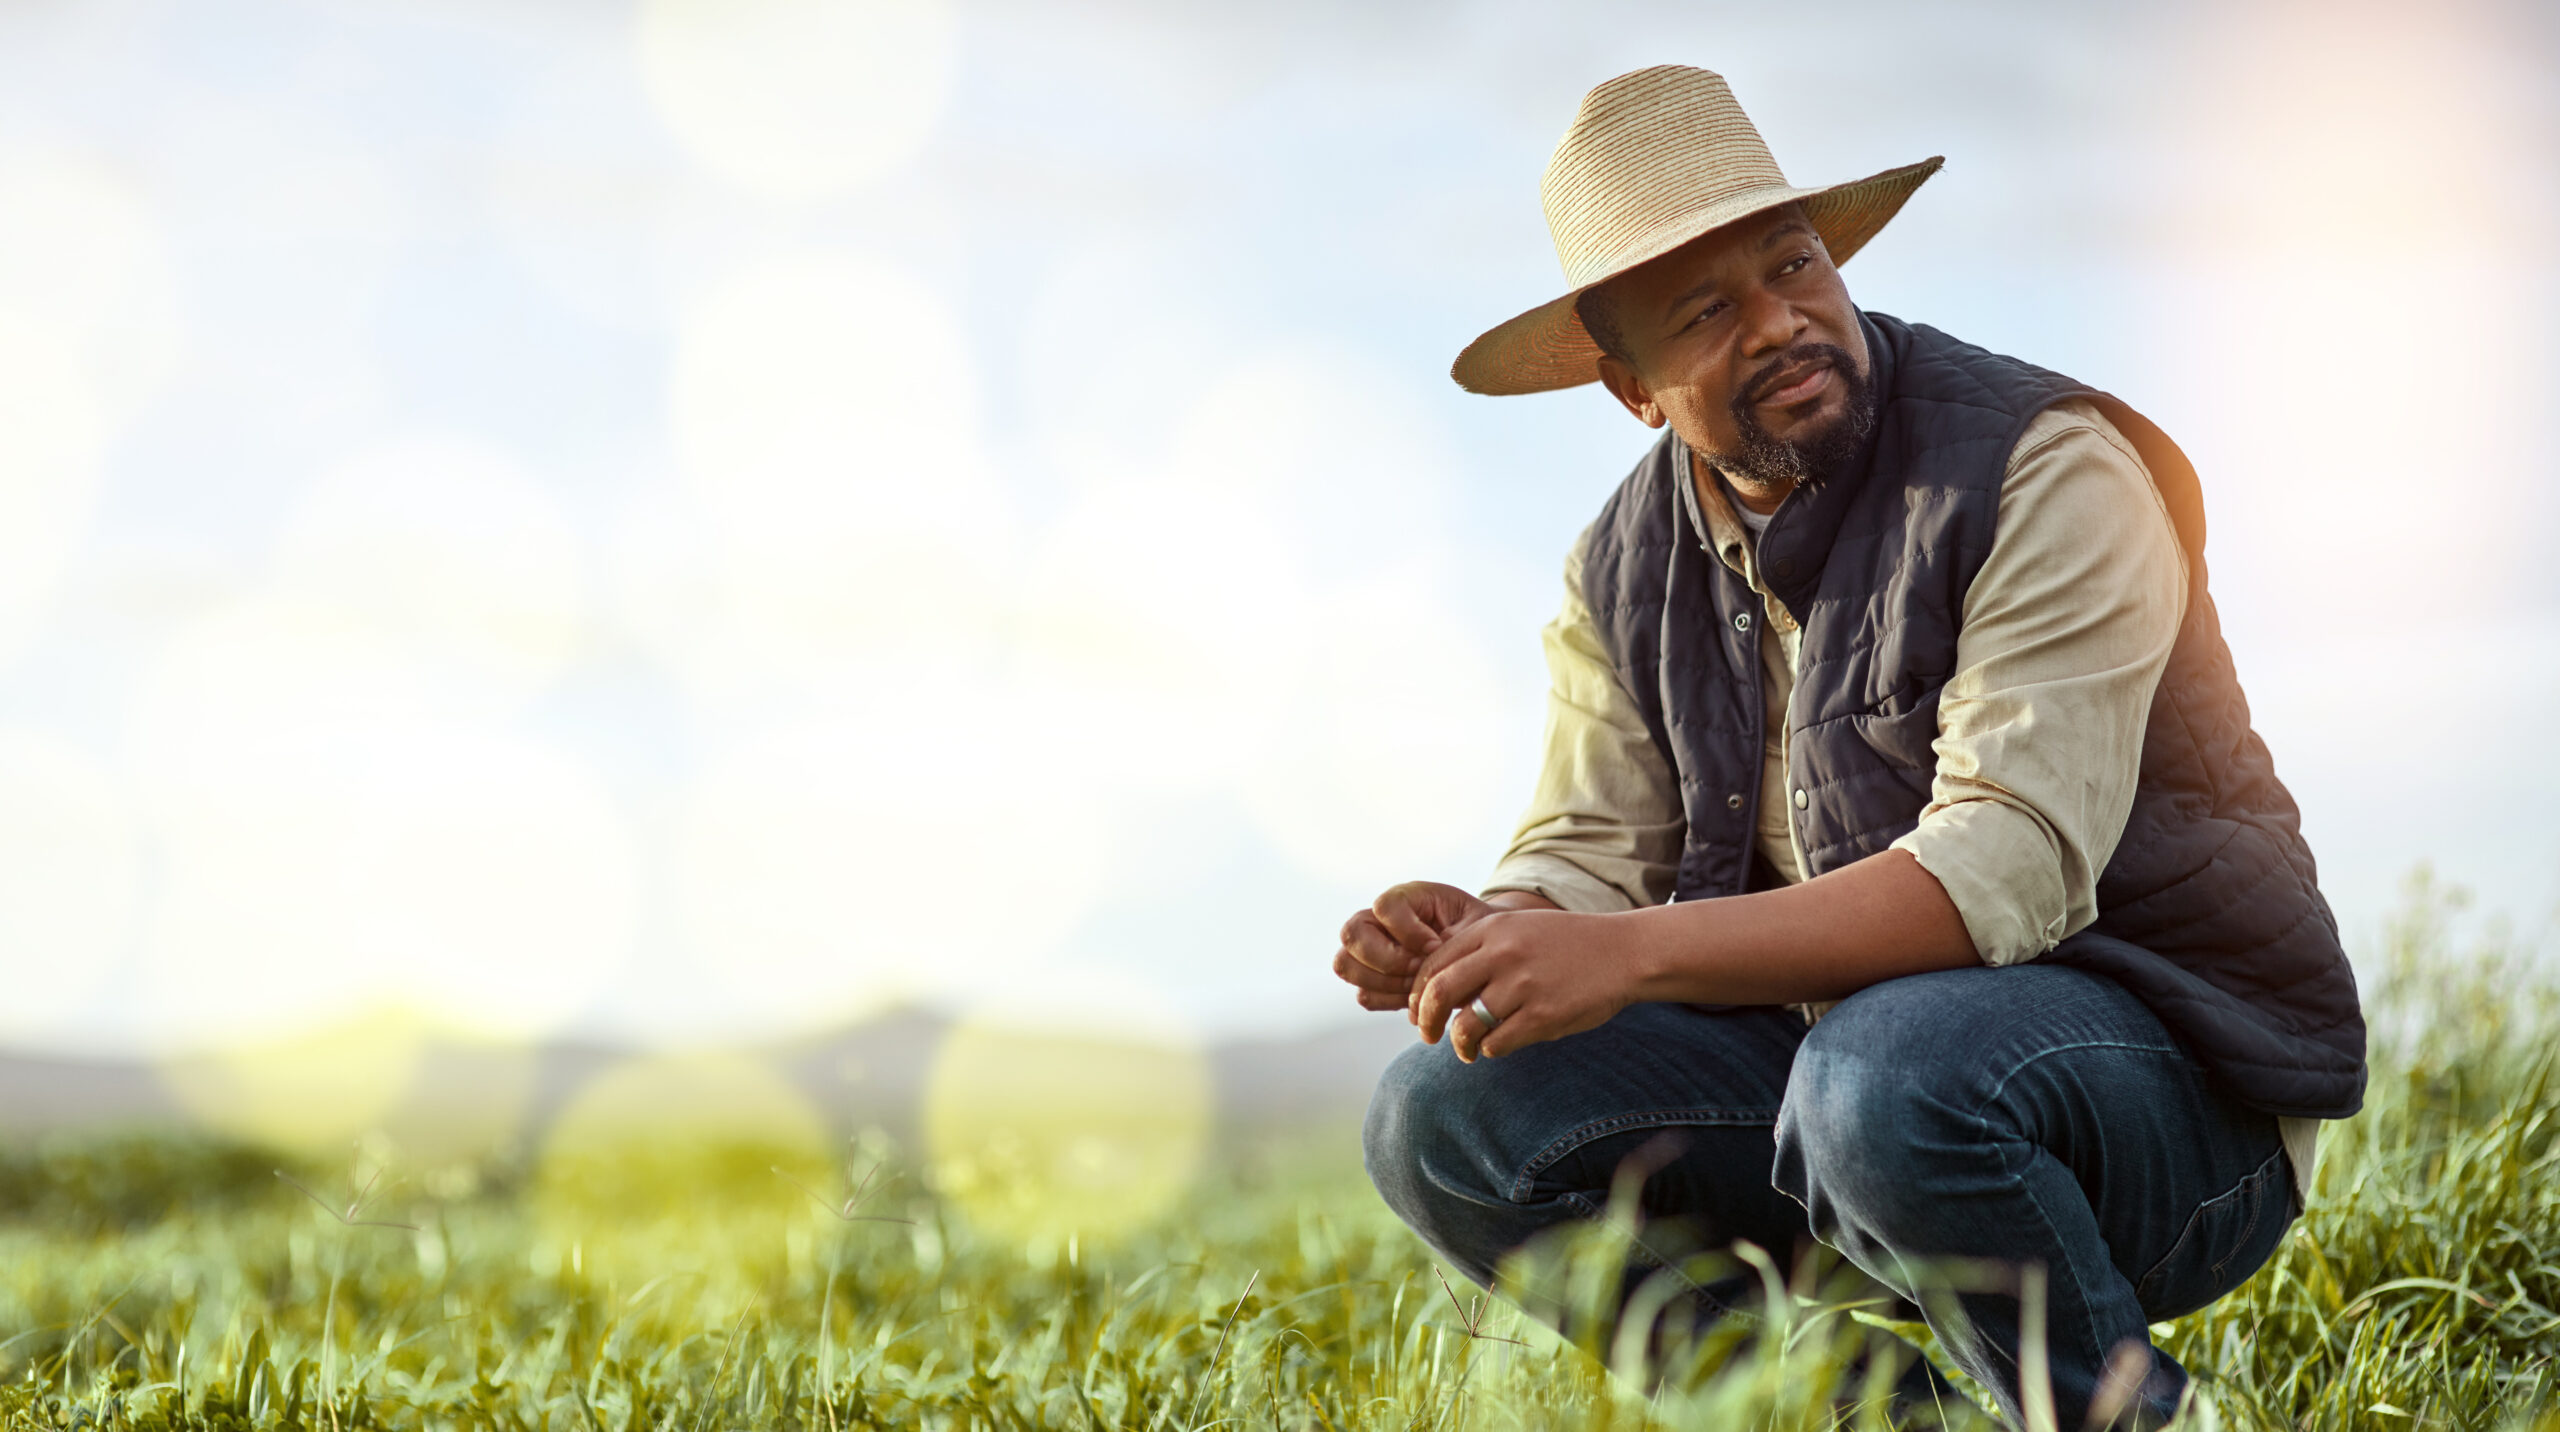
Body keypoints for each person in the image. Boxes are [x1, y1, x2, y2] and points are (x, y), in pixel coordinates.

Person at [1334, 65, 2366, 1429]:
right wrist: (1496, 928)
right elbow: (1592, 842)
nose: (1782, 323)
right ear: (1633, 388)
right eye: (1707, 312)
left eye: (1793, 263)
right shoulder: (1620, 565)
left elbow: (1999, 873)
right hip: (1845, 1094)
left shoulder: (2048, 470)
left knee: (1882, 1074)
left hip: (2170, 1110)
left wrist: (1624, 953)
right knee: (1440, 1117)